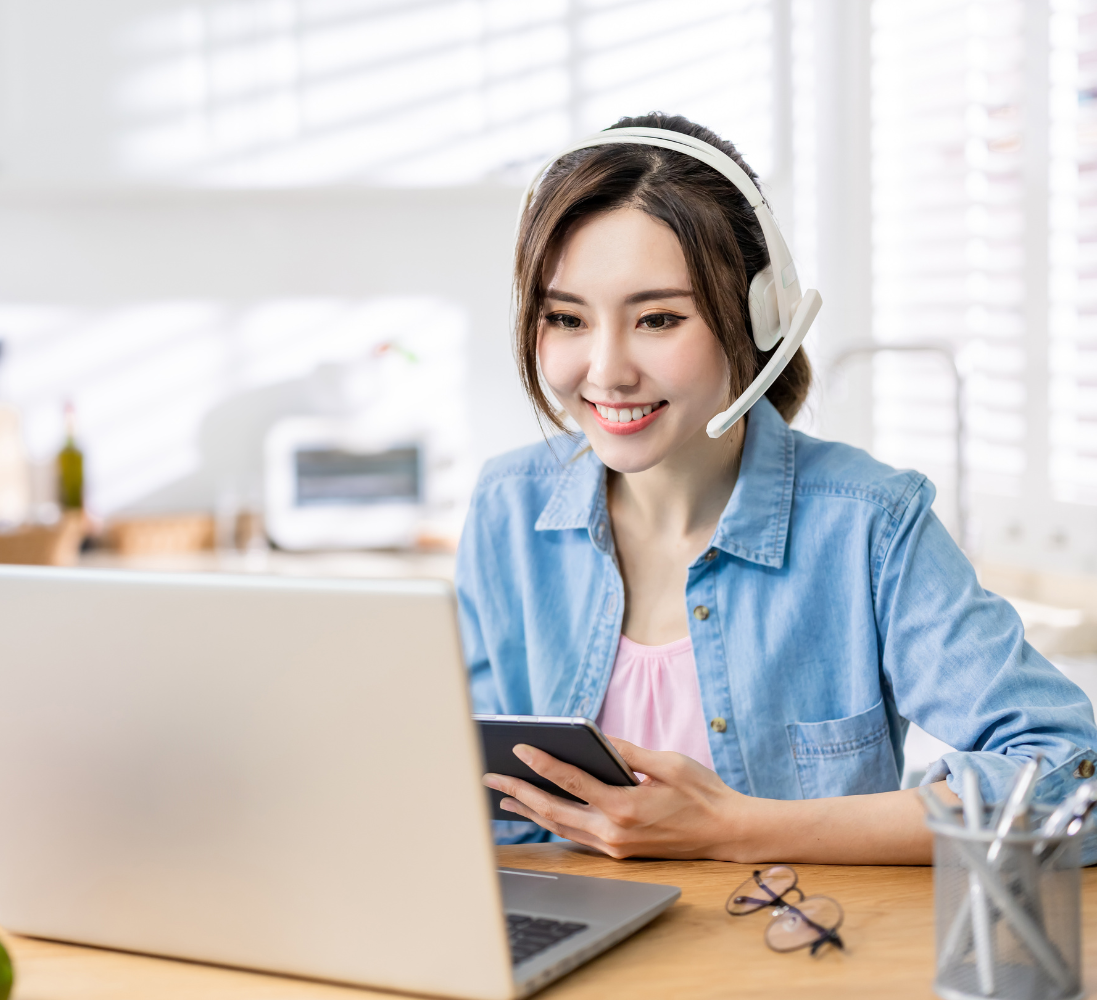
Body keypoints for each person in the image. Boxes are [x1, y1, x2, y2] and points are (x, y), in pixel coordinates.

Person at [462, 112, 1097, 864]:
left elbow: (1070, 783)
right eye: (566, 318)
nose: (605, 371)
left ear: (758, 316)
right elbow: (468, 799)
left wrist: (733, 828)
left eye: (658, 318)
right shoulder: (507, 508)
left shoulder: (871, 526)